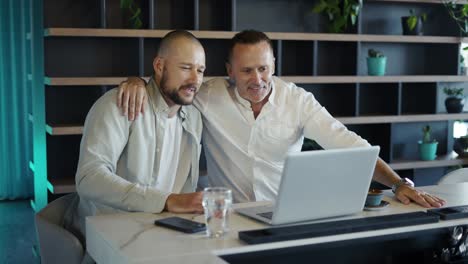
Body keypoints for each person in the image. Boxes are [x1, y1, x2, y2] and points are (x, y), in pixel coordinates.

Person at [118, 30, 445, 208]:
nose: (257, 79)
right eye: (246, 70)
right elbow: (173, 85)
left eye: (263, 68)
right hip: (229, 214)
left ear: (273, 64)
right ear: (230, 71)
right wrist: (138, 81)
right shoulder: (209, 92)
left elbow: (351, 146)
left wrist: (400, 184)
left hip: (285, 214)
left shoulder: (298, 101)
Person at [73, 30, 206, 240]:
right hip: (112, 235)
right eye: (185, 68)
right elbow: (89, 178)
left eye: (200, 70)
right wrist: (167, 200)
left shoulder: (194, 117)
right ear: (159, 66)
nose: (195, 79)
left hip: (165, 233)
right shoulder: (119, 104)